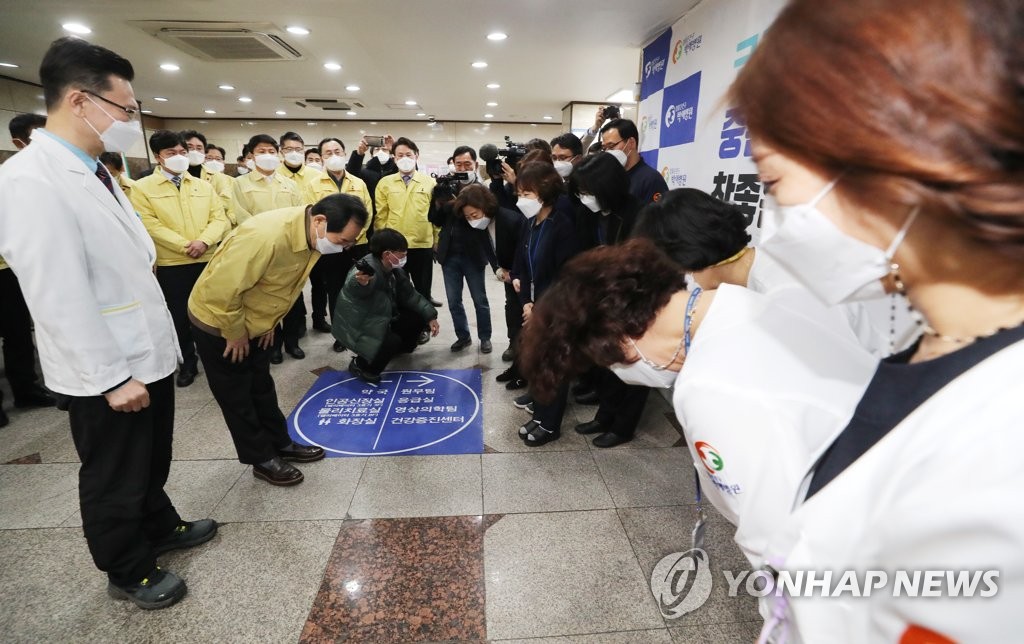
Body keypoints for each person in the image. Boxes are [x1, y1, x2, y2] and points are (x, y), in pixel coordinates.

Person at [725, 0, 1024, 639]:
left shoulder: (1003, 460)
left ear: (895, 162)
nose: (773, 222)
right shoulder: (937, 339)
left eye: (773, 183)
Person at [0, 37, 217, 610]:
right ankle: (127, 566)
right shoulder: (30, 180)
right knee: (114, 472)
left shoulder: (92, 170)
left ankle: (158, 524)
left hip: (144, 351)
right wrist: (109, 377)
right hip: (107, 369)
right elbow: (54, 294)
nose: (130, 120)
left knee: (153, 456)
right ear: (79, 100)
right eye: (125, 109)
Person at [517, 238, 876, 574]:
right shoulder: (749, 301)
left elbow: (779, 542)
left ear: (623, 337)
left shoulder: (708, 388)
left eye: (615, 362)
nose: (624, 373)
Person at [188, 194, 366, 486]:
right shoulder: (264, 237)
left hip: (256, 321)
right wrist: (234, 332)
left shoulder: (309, 236)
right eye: (343, 240)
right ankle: (260, 458)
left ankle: (280, 443)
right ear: (319, 221)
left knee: (261, 386)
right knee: (237, 395)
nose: (345, 247)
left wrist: (267, 322)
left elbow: (282, 286)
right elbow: (223, 292)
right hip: (220, 323)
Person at [632, 188, 887, 355]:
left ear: (693, 256)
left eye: (682, 269)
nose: (688, 279)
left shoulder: (788, 290)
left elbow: (834, 371)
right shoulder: (744, 278)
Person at [130, 129, 229, 388]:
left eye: (183, 153)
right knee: (179, 316)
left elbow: (219, 218)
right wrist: (185, 245)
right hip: (173, 263)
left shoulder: (203, 186)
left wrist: (204, 241)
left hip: (207, 258)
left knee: (212, 313)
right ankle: (187, 363)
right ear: (157, 157)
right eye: (171, 153)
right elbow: (149, 224)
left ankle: (216, 359)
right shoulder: (142, 188)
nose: (179, 157)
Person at [565, 152, 647, 447]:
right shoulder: (594, 212)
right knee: (609, 361)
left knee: (632, 364)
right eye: (581, 192)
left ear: (608, 187)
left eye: (588, 191)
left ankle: (623, 426)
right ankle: (605, 415)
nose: (584, 198)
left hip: (633, 301)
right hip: (603, 298)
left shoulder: (639, 214)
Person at [510, 162, 580, 444]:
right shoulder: (532, 222)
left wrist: (541, 307)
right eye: (520, 192)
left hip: (556, 309)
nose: (521, 199)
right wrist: (526, 301)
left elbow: (566, 275)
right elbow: (526, 267)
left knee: (553, 367)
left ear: (545, 191)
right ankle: (539, 415)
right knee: (537, 365)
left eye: (527, 193)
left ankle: (551, 424)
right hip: (535, 306)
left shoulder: (561, 225)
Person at [0, 113, 55, 428]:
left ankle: (26, 388)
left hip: (12, 270)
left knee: (18, 332)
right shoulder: (10, 177)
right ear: (18, 142)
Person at [332, 228, 440, 386]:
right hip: (360, 324)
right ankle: (362, 366)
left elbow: (410, 295)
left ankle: (398, 349)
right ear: (387, 254)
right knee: (391, 341)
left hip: (383, 316)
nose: (404, 257)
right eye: (401, 254)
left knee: (417, 318)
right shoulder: (366, 270)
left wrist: (431, 317)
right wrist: (361, 283)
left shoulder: (395, 270)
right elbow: (354, 286)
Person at [232, 133, 305, 362]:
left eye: (271, 152)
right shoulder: (240, 184)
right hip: (258, 250)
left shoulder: (290, 184)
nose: (267, 156)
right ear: (251, 156)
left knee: (292, 299)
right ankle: (274, 344)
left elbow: (300, 214)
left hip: (288, 250)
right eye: (261, 152)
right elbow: (240, 216)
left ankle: (293, 342)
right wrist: (262, 240)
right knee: (263, 299)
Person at [374, 136, 442, 340]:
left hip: (422, 243)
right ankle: (399, 327)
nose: (405, 158)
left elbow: (435, 216)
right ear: (394, 158)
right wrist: (381, 245)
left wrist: (436, 239)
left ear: (417, 156)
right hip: (394, 248)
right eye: (400, 155)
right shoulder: (385, 183)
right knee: (396, 291)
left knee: (422, 289)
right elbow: (381, 216)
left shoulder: (430, 182)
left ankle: (421, 328)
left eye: (409, 155)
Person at [309, 137, 374, 345]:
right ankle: (341, 335)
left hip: (357, 245)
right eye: (328, 153)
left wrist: (352, 237)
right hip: (330, 249)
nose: (333, 156)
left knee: (360, 287)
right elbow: (312, 215)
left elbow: (369, 213)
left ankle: (360, 329)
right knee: (335, 290)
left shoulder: (358, 182)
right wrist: (336, 240)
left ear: (345, 154)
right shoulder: (313, 185)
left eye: (337, 151)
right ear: (321, 158)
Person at [431, 168, 499, 354]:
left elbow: (481, 219)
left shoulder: (479, 192)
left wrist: (457, 202)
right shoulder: (448, 189)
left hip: (473, 256)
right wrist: (437, 198)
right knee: (454, 301)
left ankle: (485, 338)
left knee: (480, 300)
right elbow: (435, 219)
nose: (462, 168)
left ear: (474, 164)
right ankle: (463, 336)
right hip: (449, 257)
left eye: (466, 163)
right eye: (458, 164)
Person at [599, 118, 668, 204]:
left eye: (611, 146)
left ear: (631, 143)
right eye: (604, 148)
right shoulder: (610, 177)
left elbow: (656, 215)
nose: (607, 152)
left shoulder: (651, 179)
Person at [276, 131, 321, 204]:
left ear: (303, 151)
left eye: (298, 149)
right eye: (289, 149)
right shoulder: (275, 175)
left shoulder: (317, 175)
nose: (294, 153)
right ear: (281, 152)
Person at [201, 143, 237, 227]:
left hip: (229, 225)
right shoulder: (197, 180)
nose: (214, 161)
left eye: (218, 159)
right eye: (209, 158)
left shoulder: (234, 181)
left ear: (223, 162)